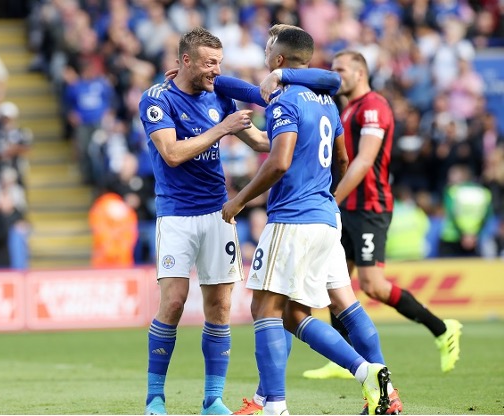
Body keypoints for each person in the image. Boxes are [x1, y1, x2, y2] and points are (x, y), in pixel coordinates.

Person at [212, 25, 403, 416]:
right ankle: (378, 381)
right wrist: (228, 103)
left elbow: (278, 160)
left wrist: (240, 200)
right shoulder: (327, 102)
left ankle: (277, 405)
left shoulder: (287, 100)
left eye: (268, 50)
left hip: (293, 219)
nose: (264, 54)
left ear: (278, 60)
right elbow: (339, 158)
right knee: (329, 305)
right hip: (325, 217)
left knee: (265, 310)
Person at [269, 50, 463, 378]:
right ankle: (342, 360)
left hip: (370, 207)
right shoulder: (346, 109)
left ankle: (443, 328)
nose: (336, 75)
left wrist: (331, 198)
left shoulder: (374, 107)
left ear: (361, 73)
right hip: (345, 207)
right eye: (333, 69)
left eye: (341, 69)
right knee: (335, 284)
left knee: (372, 285)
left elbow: (362, 161)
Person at [138, 27, 269, 416]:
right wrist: (223, 128)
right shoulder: (157, 99)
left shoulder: (220, 94)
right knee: (174, 302)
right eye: (210, 63)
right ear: (185, 60)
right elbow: (173, 153)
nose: (216, 70)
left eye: (219, 63)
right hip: (176, 214)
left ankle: (213, 400)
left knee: (220, 307)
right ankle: (155, 398)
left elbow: (260, 143)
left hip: (218, 213)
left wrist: (293, 128)